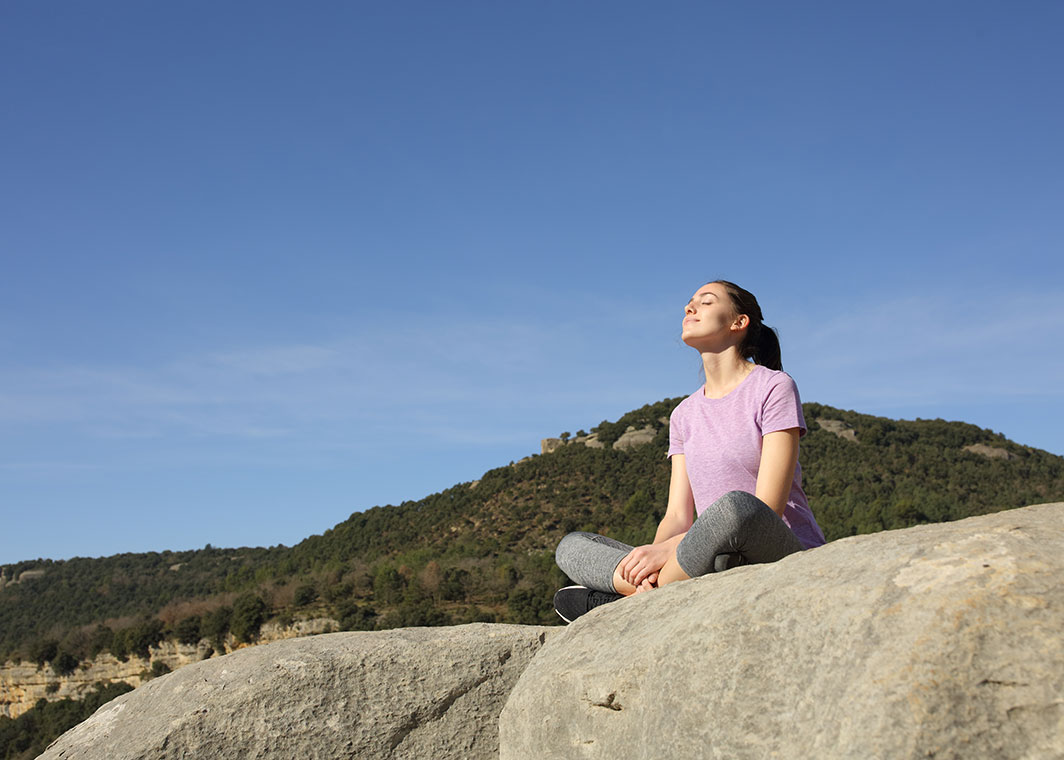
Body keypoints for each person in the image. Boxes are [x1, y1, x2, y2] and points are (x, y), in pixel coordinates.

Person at [553, 280, 826, 623]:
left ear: (738, 323)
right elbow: (677, 516)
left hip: (775, 548)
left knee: (735, 507)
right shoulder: (683, 414)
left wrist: (669, 550)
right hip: (710, 557)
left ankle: (628, 603)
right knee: (572, 546)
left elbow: (765, 509)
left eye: (706, 302)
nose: (689, 308)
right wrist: (651, 559)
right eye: (689, 302)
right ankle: (650, 594)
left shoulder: (773, 387)